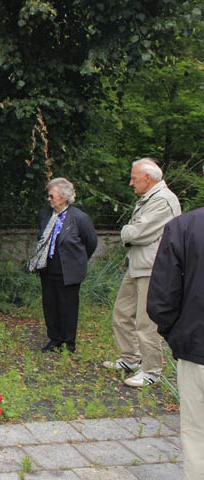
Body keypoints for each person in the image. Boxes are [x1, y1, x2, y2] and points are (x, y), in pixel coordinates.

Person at [102, 158, 180, 387]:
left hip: (152, 267)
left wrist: (126, 231)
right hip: (137, 264)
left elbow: (136, 233)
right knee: (122, 313)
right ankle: (130, 359)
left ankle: (151, 370)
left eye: (134, 178)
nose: (131, 183)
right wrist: (130, 232)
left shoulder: (163, 200)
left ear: (148, 178)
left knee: (147, 322)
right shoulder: (150, 198)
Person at [147, 208, 204, 480]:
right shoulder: (183, 226)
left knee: (198, 432)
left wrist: (179, 336)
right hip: (196, 345)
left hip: (197, 348)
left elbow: (161, 300)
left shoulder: (186, 226)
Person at [34, 178, 97, 353]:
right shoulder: (45, 214)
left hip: (69, 270)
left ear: (63, 197)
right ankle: (54, 339)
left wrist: (77, 260)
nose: (49, 199)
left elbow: (91, 243)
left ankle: (68, 343)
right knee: (50, 306)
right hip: (47, 268)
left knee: (68, 307)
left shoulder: (79, 218)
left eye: (52, 195)